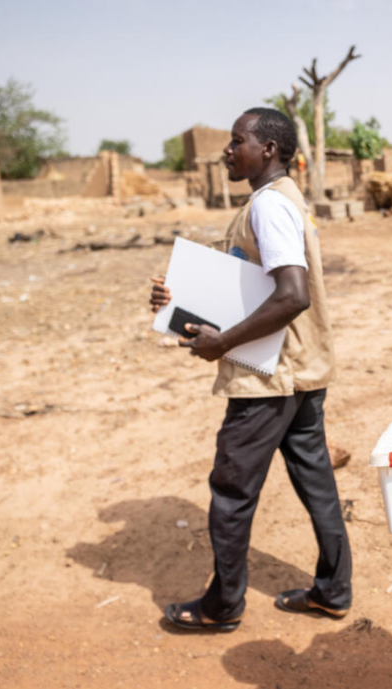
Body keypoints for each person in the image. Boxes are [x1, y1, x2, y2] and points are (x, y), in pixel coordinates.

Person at [149, 107, 351, 631]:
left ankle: (223, 605)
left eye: (236, 141)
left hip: (270, 376)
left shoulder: (269, 207)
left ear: (268, 150)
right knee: (316, 482)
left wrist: (223, 344)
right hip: (299, 370)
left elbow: (291, 295)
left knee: (232, 491)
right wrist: (176, 303)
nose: (226, 150)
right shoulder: (282, 202)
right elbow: (246, 283)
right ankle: (334, 589)